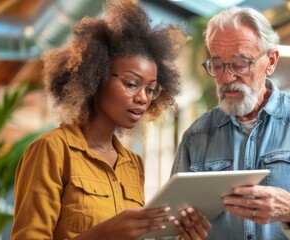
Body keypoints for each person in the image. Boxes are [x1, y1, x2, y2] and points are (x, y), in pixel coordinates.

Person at [11, 1, 210, 239]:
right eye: (131, 84)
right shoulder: (52, 151)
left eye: (151, 89)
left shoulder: (133, 164)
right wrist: (101, 235)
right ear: (97, 77)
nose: (143, 98)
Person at [171, 6, 290, 240]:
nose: (226, 77)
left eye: (240, 63)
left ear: (271, 61)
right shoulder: (197, 136)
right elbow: (169, 226)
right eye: (218, 64)